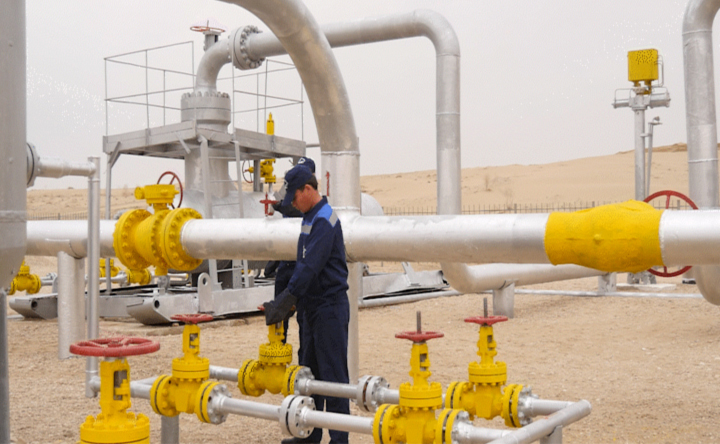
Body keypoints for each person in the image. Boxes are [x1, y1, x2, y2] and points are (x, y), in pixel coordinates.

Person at [263, 164, 350, 444]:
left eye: (295, 197)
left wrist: (285, 299)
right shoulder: (309, 217)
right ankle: (309, 436)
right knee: (308, 374)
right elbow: (303, 260)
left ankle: (339, 441)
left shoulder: (324, 219)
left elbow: (311, 266)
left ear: (308, 189)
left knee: (333, 378)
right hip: (311, 307)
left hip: (329, 307)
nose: (293, 203)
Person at [266, 157, 315, 345]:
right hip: (285, 264)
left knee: (304, 317)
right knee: (280, 312)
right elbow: (278, 206)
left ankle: (304, 357)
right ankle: (278, 349)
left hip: (301, 265)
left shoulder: (310, 201)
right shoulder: (289, 193)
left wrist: (279, 205)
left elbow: (294, 209)